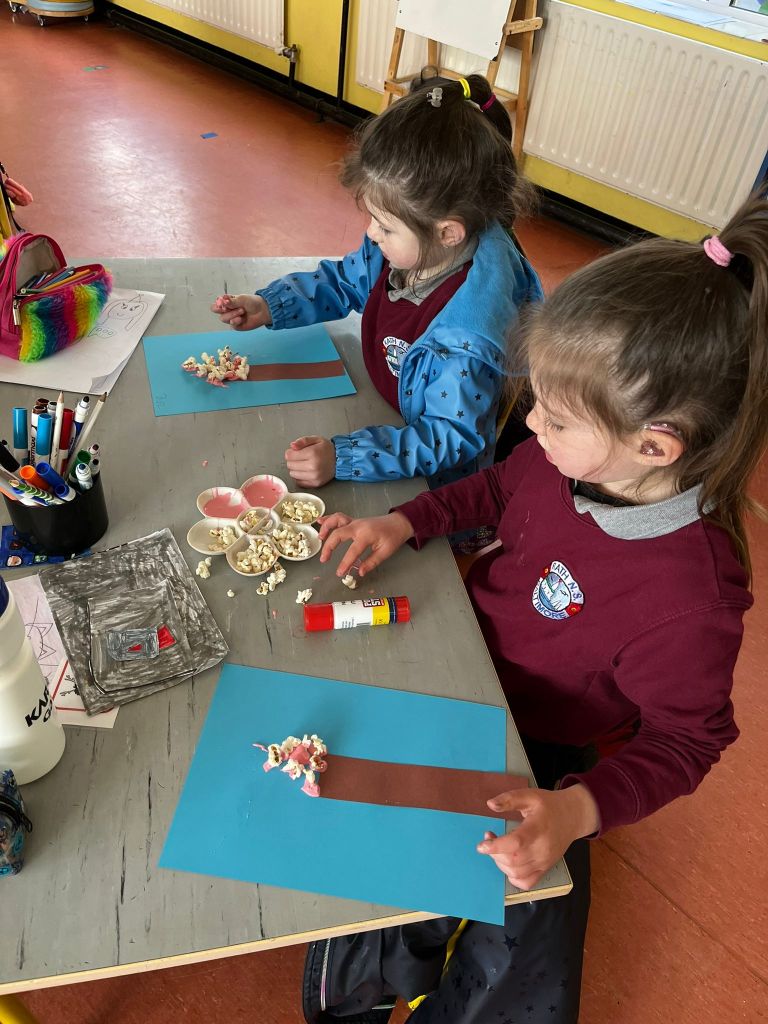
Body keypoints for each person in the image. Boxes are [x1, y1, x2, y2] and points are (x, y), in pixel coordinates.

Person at [302, 192, 768, 1024]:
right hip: (460, 663)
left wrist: (577, 809)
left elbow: (687, 742)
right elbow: (494, 486)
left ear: (654, 446)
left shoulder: (691, 601)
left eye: (553, 417)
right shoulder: (562, 457)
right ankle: (370, 968)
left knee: (527, 920)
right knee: (360, 824)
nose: (531, 426)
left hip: (539, 747)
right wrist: (407, 520)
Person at [211, 74, 542, 492]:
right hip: (388, 415)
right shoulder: (406, 248)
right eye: (372, 218)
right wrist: (270, 305)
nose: (371, 233)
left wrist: (346, 456)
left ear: (447, 232)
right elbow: (345, 282)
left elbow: (450, 437)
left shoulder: (468, 341)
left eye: (384, 226)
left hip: (431, 484)